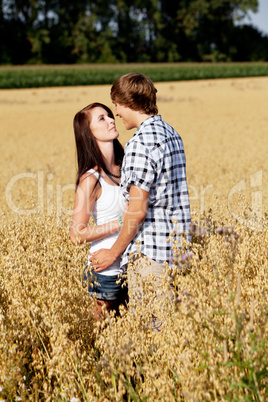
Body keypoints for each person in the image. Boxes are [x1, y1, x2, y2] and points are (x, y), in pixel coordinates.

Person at [90, 73, 191, 327]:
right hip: (179, 254)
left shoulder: (139, 144)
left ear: (128, 102)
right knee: (174, 335)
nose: (116, 113)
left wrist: (112, 254)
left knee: (153, 339)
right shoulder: (171, 134)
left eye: (116, 105)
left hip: (151, 259)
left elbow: (137, 210)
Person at [70, 102, 128, 320]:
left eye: (110, 115)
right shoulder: (90, 179)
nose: (111, 120)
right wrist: (122, 222)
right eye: (102, 118)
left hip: (132, 266)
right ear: (89, 133)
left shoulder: (127, 167)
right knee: (103, 338)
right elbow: (76, 235)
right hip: (106, 272)